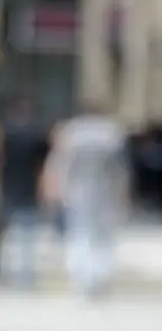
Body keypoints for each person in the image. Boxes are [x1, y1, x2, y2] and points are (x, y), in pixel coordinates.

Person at [41, 103, 130, 298]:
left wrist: (54, 191)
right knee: (101, 237)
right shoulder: (111, 133)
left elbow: (59, 165)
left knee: (80, 234)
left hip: (78, 193)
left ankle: (83, 279)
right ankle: (98, 277)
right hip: (104, 193)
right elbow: (121, 170)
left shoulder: (72, 132)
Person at [0, 96, 47, 288]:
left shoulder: (1, 135)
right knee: (26, 240)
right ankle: (26, 279)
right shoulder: (35, 135)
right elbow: (41, 166)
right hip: (27, 191)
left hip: (4, 191)